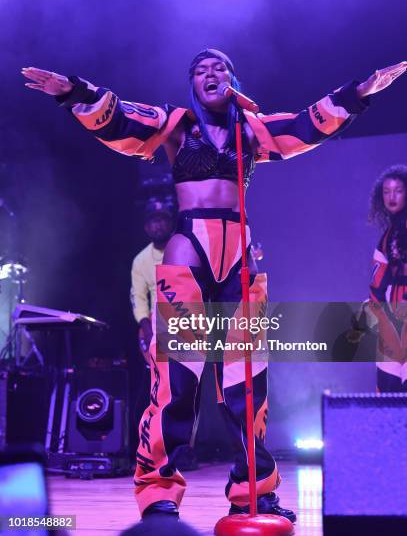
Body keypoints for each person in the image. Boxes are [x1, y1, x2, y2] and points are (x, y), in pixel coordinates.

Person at [21, 54, 406, 522]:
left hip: (239, 259)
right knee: (177, 381)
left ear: (232, 79)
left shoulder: (251, 129)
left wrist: (358, 94)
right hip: (190, 253)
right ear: (191, 83)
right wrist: (72, 91)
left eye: (219, 68)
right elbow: (121, 121)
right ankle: (158, 492)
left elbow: (305, 126)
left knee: (247, 383)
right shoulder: (176, 125)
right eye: (201, 70)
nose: (210, 74)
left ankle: (254, 492)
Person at [368, 165, 407, 392]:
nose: (391, 197)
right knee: (388, 387)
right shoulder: (387, 236)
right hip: (392, 316)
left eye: (398, 190)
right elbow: (377, 282)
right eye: (386, 191)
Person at [131, 199, 175, 364]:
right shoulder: (140, 260)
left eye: (163, 219)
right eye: (154, 220)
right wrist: (148, 333)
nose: (159, 224)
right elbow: (138, 298)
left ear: (171, 224)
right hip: (155, 328)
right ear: (146, 228)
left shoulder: (184, 249)